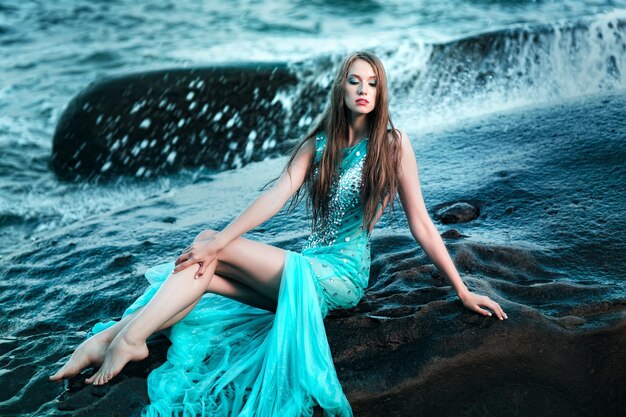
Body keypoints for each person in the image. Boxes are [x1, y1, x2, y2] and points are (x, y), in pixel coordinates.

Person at [49, 50, 507, 416]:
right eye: (355, 81)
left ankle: (127, 340)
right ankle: (109, 340)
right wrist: (220, 242)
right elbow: (276, 195)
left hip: (339, 276)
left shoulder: (392, 143)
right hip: (305, 266)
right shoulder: (319, 144)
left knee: (211, 244)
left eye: (372, 83)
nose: (363, 90)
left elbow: (422, 223)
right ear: (341, 88)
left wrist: (462, 290)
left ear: (381, 90)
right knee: (205, 265)